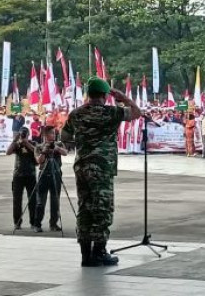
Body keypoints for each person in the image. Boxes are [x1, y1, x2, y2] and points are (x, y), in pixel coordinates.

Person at [61, 77, 141, 267]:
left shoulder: (76, 114)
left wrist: (82, 142)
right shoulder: (112, 112)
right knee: (102, 209)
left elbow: (65, 137)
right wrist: (124, 98)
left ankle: (85, 255)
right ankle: (99, 252)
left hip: (82, 166)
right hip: (102, 167)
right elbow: (137, 113)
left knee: (85, 208)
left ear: (88, 94)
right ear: (106, 95)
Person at [34, 126, 67, 233]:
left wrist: (57, 148)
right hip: (44, 175)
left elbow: (65, 153)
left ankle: (53, 224)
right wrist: (44, 151)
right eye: (51, 133)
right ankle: (37, 224)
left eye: (54, 133)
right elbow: (39, 161)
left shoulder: (59, 144)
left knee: (55, 201)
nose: (53, 135)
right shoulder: (39, 146)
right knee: (40, 202)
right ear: (45, 135)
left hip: (56, 174)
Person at [6, 127, 37, 230]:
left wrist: (26, 143)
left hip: (31, 175)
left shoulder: (33, 143)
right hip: (18, 175)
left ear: (28, 134)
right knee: (17, 200)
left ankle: (33, 222)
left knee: (32, 200)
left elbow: (36, 152)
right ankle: (17, 222)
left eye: (25, 134)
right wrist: (15, 141)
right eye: (22, 134)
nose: (23, 136)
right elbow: (8, 152)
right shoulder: (17, 144)